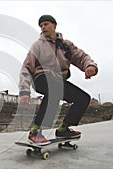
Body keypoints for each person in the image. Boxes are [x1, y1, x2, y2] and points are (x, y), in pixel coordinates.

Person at [18, 15, 98, 145]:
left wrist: (89, 66)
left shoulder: (66, 45)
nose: (43, 27)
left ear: (54, 25)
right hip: (41, 77)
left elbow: (81, 57)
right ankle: (35, 131)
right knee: (54, 89)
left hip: (59, 80)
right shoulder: (38, 46)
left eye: (46, 24)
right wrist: (24, 92)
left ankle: (63, 129)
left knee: (83, 98)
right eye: (41, 26)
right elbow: (26, 68)